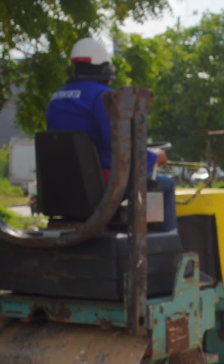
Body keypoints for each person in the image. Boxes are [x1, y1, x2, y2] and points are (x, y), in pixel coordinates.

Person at [45, 37, 175, 231]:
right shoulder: (104, 97)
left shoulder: (56, 98)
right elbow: (120, 145)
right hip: (101, 185)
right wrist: (153, 156)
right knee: (166, 184)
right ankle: (167, 246)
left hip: (62, 189)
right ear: (104, 68)